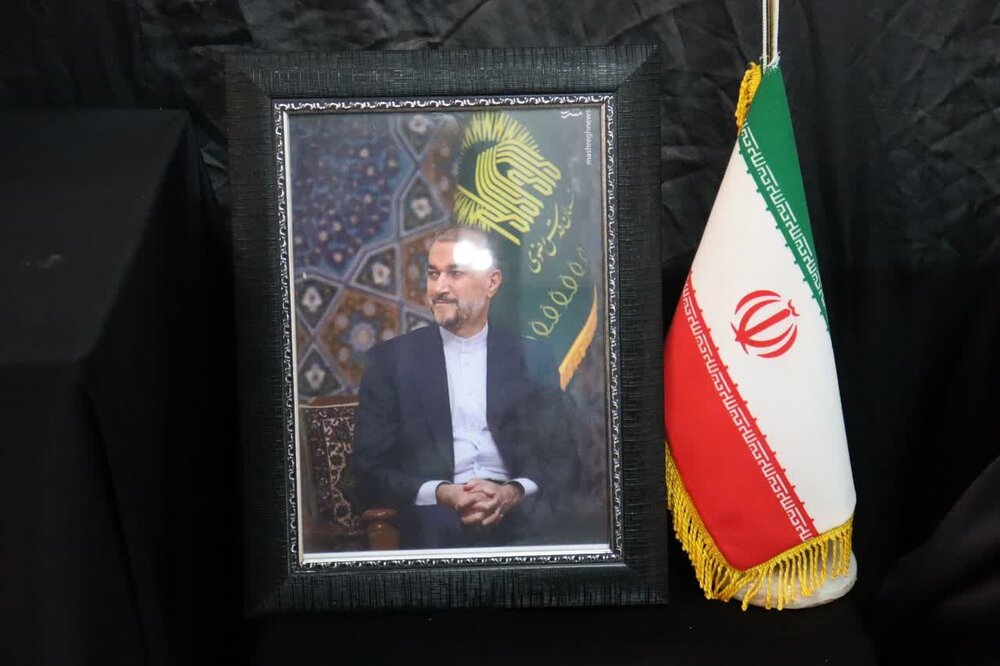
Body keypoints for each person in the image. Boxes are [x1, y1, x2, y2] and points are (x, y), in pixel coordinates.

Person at [352, 225, 579, 549]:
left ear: (492, 283)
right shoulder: (390, 362)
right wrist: (443, 493)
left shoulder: (533, 357)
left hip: (519, 514)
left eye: (455, 273)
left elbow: (563, 460)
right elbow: (367, 472)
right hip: (433, 518)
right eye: (433, 274)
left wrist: (512, 492)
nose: (439, 288)